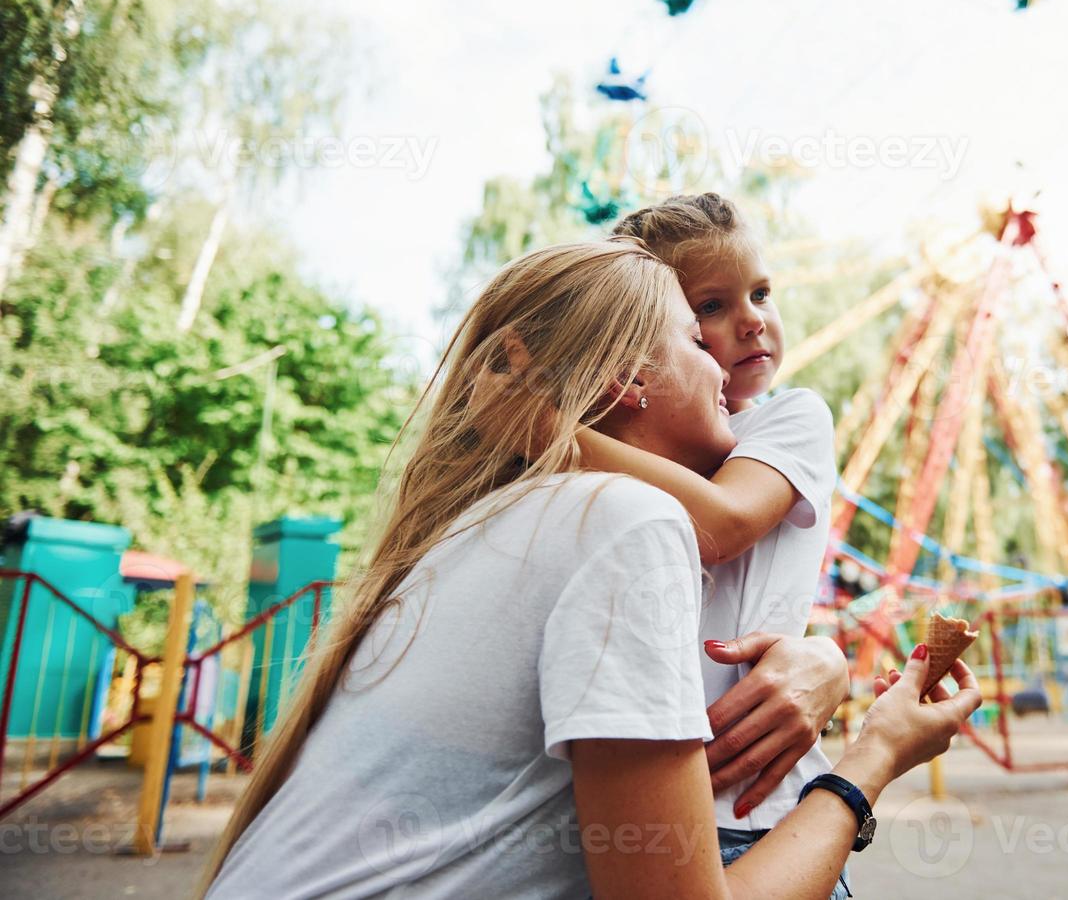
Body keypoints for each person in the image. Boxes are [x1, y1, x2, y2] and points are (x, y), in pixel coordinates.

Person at [202, 240, 981, 899]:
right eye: (698, 341)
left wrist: (821, 658)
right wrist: (875, 753)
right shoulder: (623, 521)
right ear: (628, 376)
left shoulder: (498, 523)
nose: (726, 376)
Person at [573, 194, 849, 888]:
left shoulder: (789, 420)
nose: (754, 319)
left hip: (757, 808)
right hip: (648, 804)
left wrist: (546, 430)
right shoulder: (627, 447)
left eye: (760, 293)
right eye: (712, 307)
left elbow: (722, 526)